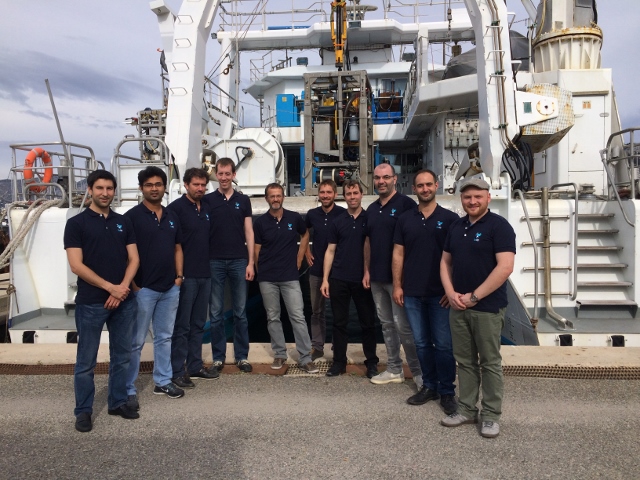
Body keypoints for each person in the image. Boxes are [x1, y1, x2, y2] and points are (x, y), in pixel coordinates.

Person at [64, 170, 140, 432]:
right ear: (90, 189)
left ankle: (117, 401)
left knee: (122, 356)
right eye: (100, 188)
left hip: (123, 301)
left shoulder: (123, 222)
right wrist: (111, 288)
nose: (105, 193)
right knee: (86, 361)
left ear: (114, 191)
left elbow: (134, 259)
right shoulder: (76, 224)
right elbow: (76, 265)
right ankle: (83, 411)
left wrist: (121, 289)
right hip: (91, 302)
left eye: (109, 188)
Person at [440, 177, 515, 439]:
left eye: (477, 197)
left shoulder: (499, 226)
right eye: (467, 197)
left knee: (490, 362)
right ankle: (467, 409)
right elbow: (445, 262)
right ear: (462, 199)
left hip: (487, 307)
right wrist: (450, 293)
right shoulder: (457, 226)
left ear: (488, 197)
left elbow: (505, 267)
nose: (472, 201)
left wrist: (474, 296)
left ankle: (492, 415)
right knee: (465, 361)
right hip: (458, 305)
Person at [392, 170, 459, 414]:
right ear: (414, 188)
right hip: (412, 292)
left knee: (443, 345)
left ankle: (447, 391)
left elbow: (455, 259)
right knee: (420, 343)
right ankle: (429, 386)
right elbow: (398, 253)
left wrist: (451, 289)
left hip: (439, 294)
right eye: (420, 185)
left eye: (429, 184)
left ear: (436, 186)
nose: (425, 189)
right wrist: (398, 285)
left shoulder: (450, 219)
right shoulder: (405, 219)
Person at [125, 166, 185, 405]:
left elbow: (177, 248)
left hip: (170, 288)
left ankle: (162, 381)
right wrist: (134, 285)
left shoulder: (171, 216)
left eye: (158, 184)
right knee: (136, 341)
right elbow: (125, 255)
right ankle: (128, 388)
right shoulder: (131, 217)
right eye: (149, 185)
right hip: (144, 289)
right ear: (142, 188)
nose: (154, 188)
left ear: (164, 187)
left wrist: (179, 277)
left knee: (164, 337)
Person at [364, 163, 422, 386]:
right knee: (386, 324)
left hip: (399, 279)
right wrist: (367, 270)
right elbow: (368, 242)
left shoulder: (407, 206)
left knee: (404, 327)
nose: (381, 181)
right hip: (377, 277)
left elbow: (413, 242)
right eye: (378, 178)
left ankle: (417, 372)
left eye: (386, 177)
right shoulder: (372, 209)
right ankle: (394, 369)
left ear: (394, 179)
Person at [254, 183, 319, 373]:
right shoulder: (260, 223)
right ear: (267, 199)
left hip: (290, 276)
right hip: (268, 278)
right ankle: (280, 354)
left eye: (278, 196)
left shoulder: (294, 218)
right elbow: (257, 250)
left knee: (297, 316)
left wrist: (300, 257)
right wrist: (261, 271)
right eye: (272, 196)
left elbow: (305, 233)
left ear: (283, 197)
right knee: (273, 317)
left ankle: (305, 357)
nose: (275, 199)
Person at [320, 180, 379, 378]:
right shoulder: (337, 221)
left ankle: (371, 362)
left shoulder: (369, 219)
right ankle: (339, 362)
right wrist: (325, 279)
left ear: (362, 195)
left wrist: (368, 271)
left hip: (363, 279)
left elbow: (372, 247)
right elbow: (330, 251)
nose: (352, 196)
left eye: (355, 193)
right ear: (343, 197)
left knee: (368, 323)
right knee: (339, 323)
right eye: (348, 193)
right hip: (339, 278)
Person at [168, 168, 219, 389]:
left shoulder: (206, 207)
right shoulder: (175, 209)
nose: (200, 188)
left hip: (204, 274)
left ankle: (195, 366)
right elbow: (170, 244)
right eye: (196, 185)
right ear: (186, 185)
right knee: (182, 326)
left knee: (198, 324)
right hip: (186, 276)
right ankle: (178, 371)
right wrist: (177, 275)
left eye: (203, 185)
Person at [203, 158, 255, 373]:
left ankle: (242, 356)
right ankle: (218, 357)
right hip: (214, 260)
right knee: (215, 313)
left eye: (227, 174)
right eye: (220, 174)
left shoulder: (243, 201)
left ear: (234, 175)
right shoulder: (207, 200)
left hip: (238, 260)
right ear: (216, 175)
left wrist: (251, 262)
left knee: (241, 312)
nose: (223, 178)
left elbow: (249, 232)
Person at [304, 179, 345, 361]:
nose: (326, 196)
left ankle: (338, 345)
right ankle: (318, 346)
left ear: (335, 194)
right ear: (318, 194)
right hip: (316, 270)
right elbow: (303, 232)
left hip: (338, 271)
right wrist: (305, 251)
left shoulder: (343, 214)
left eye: (329, 192)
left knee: (338, 311)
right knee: (317, 311)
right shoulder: (312, 214)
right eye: (322, 192)